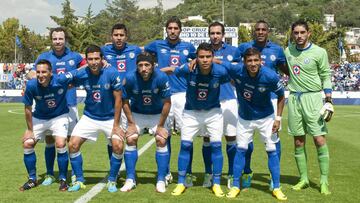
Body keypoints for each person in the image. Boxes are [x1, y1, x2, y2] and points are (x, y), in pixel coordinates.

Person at [162, 43, 228, 197]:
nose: (205, 60)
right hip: (191, 112)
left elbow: (236, 74)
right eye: (201, 57)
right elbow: (172, 70)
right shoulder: (188, 68)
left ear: (213, 57)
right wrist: (155, 72)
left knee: (216, 147)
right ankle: (181, 183)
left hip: (213, 113)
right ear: (196, 58)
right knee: (185, 145)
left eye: (208, 57)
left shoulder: (220, 71)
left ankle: (216, 184)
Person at [221, 48, 287, 200]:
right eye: (249, 61)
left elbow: (281, 96)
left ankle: (276, 187)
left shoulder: (270, 75)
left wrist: (278, 118)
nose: (253, 64)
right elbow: (219, 62)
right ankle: (236, 186)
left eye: (256, 60)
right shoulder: (237, 69)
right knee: (241, 150)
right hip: (245, 119)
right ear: (244, 62)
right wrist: (196, 62)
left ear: (260, 61)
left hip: (266, 118)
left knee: (272, 150)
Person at [59, 45, 124, 192]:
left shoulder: (112, 72)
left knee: (118, 146)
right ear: (86, 60)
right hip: (90, 116)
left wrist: (116, 125)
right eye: (90, 59)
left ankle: (112, 179)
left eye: (96, 58)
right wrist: (79, 70)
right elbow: (64, 81)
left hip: (109, 118)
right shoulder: (83, 73)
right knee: (73, 144)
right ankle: (80, 180)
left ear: (102, 59)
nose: (94, 62)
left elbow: (118, 100)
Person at [144, 16, 196, 185]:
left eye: (176, 28)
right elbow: (142, 55)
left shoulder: (188, 47)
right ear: (166, 29)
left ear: (180, 30)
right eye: (170, 28)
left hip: (182, 95)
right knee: (163, 135)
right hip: (163, 95)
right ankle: (165, 172)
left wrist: (185, 67)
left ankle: (187, 172)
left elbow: (199, 59)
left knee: (186, 136)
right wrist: (157, 69)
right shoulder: (157, 45)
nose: (173, 31)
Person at [238, 20, 288, 189]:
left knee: (274, 139)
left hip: (272, 98)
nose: (260, 32)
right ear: (254, 31)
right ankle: (247, 170)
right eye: (257, 29)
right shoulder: (244, 47)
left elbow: (285, 69)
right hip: (249, 97)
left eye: (263, 29)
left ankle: (275, 178)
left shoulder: (277, 49)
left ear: (268, 31)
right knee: (247, 140)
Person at [284, 20, 333, 195]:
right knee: (298, 141)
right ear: (292, 34)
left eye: (302, 32)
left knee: (319, 139)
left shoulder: (319, 52)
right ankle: (303, 179)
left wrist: (328, 99)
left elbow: (326, 75)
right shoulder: (288, 51)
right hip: (294, 99)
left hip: (313, 98)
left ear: (308, 33)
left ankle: (323, 180)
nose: (299, 36)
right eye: (295, 33)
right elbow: (285, 68)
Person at [33, 27, 86, 186]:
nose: (57, 42)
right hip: (49, 107)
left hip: (69, 105)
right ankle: (50, 174)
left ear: (65, 40)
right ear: (51, 40)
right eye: (55, 39)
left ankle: (73, 174)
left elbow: (87, 66)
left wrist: (72, 76)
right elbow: (32, 73)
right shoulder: (44, 57)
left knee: (70, 142)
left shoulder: (74, 56)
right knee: (50, 140)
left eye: (60, 39)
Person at [120, 52, 171, 193]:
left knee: (161, 140)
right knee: (131, 138)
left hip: (157, 114)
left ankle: (161, 180)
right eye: (140, 65)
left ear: (153, 66)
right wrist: (130, 123)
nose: (144, 68)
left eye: (147, 65)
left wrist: (160, 126)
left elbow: (167, 103)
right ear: (136, 66)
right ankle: (130, 179)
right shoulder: (130, 77)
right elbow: (124, 101)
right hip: (137, 113)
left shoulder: (161, 77)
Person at [201, 21, 241, 189]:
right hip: (209, 102)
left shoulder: (233, 51)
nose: (215, 36)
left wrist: (221, 64)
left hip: (228, 99)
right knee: (208, 139)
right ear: (209, 34)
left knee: (231, 137)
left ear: (223, 35)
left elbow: (238, 74)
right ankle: (208, 174)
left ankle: (231, 174)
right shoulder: (203, 52)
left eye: (218, 33)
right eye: (212, 33)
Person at [20, 59, 70, 191]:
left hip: (59, 116)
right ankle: (32, 179)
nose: (40, 75)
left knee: (60, 144)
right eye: (38, 72)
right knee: (27, 143)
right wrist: (30, 130)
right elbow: (27, 108)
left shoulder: (60, 80)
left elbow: (76, 73)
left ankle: (63, 179)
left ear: (51, 73)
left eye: (44, 72)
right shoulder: (31, 85)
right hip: (40, 117)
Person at [101, 23, 142, 160]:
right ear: (111, 37)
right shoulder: (104, 51)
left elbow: (147, 58)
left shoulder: (135, 50)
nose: (118, 38)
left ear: (126, 36)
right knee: (112, 137)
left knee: (131, 137)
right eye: (116, 35)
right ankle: (116, 170)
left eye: (121, 35)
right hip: (112, 100)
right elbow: (90, 57)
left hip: (131, 100)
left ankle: (131, 172)